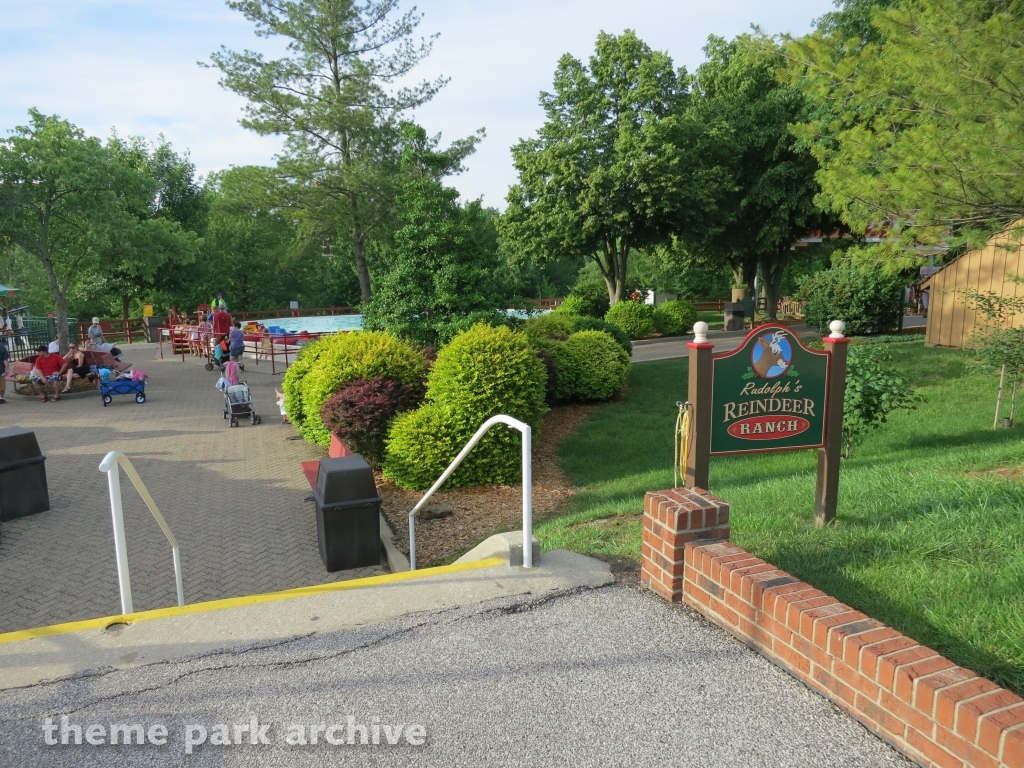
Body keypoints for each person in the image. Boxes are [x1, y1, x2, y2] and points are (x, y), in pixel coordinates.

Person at [0, 334, 8, 404]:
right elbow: (5, 360)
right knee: (2, 384)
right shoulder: (2, 348)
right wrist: (7, 369)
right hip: (1, 369)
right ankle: (1, 398)